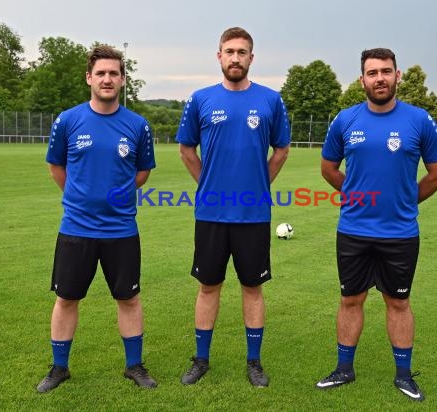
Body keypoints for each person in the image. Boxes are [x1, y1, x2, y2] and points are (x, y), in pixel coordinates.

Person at [316, 48, 437, 401]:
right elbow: (328, 168)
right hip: (354, 231)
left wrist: (406, 200)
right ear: (362, 80)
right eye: (372, 73)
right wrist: (356, 194)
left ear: (397, 75)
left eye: (385, 71)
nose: (379, 78)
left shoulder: (419, 121)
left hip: (400, 233)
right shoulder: (345, 120)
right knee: (350, 300)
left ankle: (404, 375)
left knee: (399, 303)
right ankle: (344, 369)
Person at [37, 45, 157, 393]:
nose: (107, 79)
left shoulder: (137, 125)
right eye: (101, 73)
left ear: (122, 79)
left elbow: (142, 171)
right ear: (89, 78)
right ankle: (59, 368)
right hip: (76, 229)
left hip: (121, 230)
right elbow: (56, 167)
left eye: (114, 73)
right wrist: (80, 198)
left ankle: (134, 366)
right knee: (66, 299)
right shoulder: (68, 120)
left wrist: (115, 197)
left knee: (129, 299)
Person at [175, 27, 290, 387]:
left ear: (251, 58)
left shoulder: (271, 100)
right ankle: (201, 359)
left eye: (242, 52)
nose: (235, 57)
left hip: (253, 215)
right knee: (208, 286)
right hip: (211, 214)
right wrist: (209, 187)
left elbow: (282, 149)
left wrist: (258, 185)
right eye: (229, 51)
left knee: (252, 288)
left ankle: (254, 362)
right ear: (219, 56)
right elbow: (186, 149)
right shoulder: (200, 99)